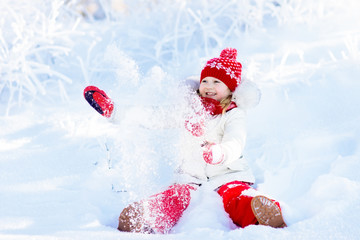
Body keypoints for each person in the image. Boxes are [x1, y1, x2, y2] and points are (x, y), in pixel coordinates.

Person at [83, 48, 287, 234]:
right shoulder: (187, 109)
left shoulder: (233, 115)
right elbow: (154, 116)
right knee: (175, 198)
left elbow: (236, 142)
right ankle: (146, 218)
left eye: (217, 82)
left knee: (235, 197)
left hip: (228, 174)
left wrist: (218, 153)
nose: (209, 86)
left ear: (231, 89)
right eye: (205, 81)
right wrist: (115, 112)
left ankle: (261, 213)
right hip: (190, 176)